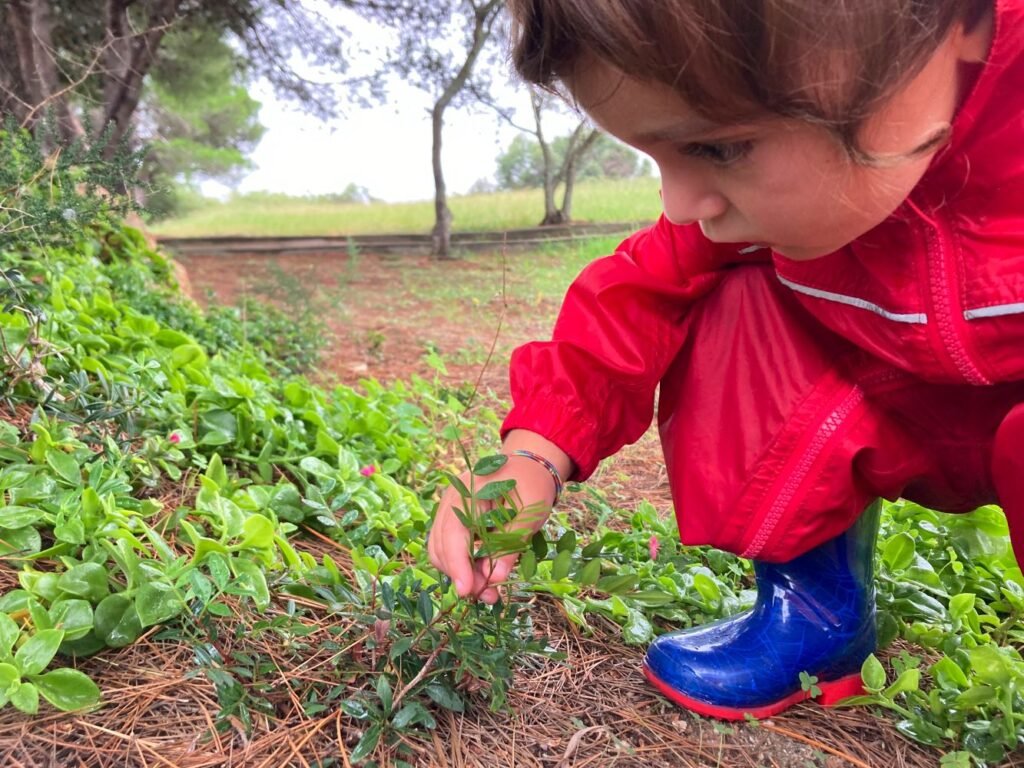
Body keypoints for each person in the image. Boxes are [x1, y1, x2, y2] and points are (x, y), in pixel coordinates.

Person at [429, 0, 1024, 721]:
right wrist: (534, 455)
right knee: (723, 290)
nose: (679, 204)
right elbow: (628, 299)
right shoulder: (751, 216)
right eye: (660, 157)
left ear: (941, 35)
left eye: (717, 148)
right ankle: (816, 614)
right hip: (892, 414)